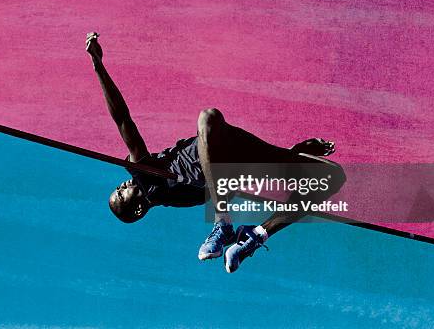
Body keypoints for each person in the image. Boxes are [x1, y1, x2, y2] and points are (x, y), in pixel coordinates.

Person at [86, 32, 346, 273]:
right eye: (120, 193)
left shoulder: (174, 192)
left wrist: (290, 154)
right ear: (139, 208)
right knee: (207, 119)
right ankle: (223, 220)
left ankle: (254, 238)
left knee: (333, 175)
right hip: (225, 156)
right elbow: (123, 119)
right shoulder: (149, 182)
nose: (121, 185)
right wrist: (98, 65)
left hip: (234, 153)